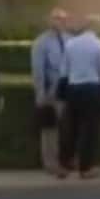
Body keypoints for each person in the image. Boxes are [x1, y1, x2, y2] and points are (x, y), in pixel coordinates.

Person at [56, 15, 100, 178]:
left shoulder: (71, 44)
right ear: (96, 28)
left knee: (70, 128)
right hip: (92, 88)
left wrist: (61, 94)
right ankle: (86, 167)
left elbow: (63, 71)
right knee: (90, 130)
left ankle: (65, 164)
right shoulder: (99, 46)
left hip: (73, 88)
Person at [30, 9, 71, 174]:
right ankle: (51, 163)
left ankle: (66, 160)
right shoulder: (41, 42)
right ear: (50, 21)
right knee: (50, 129)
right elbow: (38, 70)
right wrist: (41, 94)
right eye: (56, 19)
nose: (60, 22)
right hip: (50, 92)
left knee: (68, 127)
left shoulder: (70, 40)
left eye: (62, 19)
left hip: (69, 90)